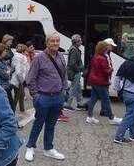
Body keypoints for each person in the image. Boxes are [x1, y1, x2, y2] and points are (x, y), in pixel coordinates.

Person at [25, 32, 68, 162]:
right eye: (52, 41)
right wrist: (35, 96)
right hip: (43, 97)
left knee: (51, 124)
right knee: (38, 123)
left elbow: (64, 75)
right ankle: (30, 147)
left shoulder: (61, 56)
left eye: (57, 41)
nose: (55, 43)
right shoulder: (39, 58)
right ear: (47, 43)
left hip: (58, 97)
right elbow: (30, 79)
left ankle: (48, 149)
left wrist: (64, 90)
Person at [86, 41, 122, 125]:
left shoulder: (96, 56)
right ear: (104, 48)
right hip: (101, 82)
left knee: (93, 98)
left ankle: (90, 116)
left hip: (94, 81)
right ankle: (112, 118)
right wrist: (111, 69)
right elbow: (106, 72)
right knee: (106, 100)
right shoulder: (103, 58)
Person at [64, 34, 85, 111]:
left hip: (75, 72)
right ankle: (68, 104)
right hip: (75, 72)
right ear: (76, 42)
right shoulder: (74, 50)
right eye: (80, 41)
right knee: (73, 88)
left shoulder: (74, 49)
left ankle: (80, 103)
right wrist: (79, 70)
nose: (81, 42)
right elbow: (73, 63)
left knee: (78, 88)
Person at [0, 43, 14, 111]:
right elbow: (6, 76)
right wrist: (9, 71)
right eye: (4, 51)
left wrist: (8, 70)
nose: (6, 52)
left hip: (5, 86)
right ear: (0, 51)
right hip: (2, 87)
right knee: (8, 107)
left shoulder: (0, 59)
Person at [98, 38, 117, 117]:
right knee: (105, 96)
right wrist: (110, 71)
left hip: (105, 78)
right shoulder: (104, 55)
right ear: (107, 45)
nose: (112, 47)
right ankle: (108, 113)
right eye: (111, 45)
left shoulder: (106, 53)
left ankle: (102, 110)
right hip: (104, 79)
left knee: (96, 96)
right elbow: (104, 69)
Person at [10, 44, 29, 113]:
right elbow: (19, 71)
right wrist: (22, 79)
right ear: (23, 51)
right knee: (17, 96)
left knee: (21, 94)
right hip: (18, 79)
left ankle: (22, 109)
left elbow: (13, 67)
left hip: (18, 78)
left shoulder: (17, 56)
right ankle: (13, 111)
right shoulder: (21, 58)